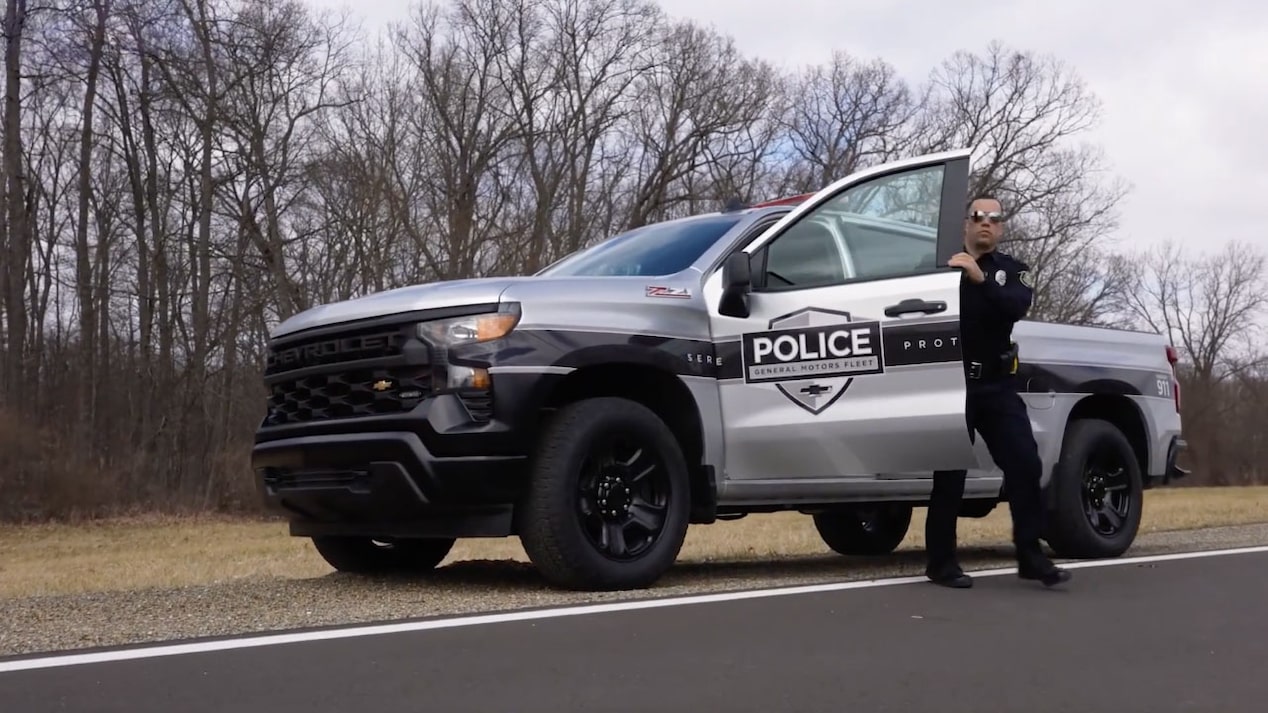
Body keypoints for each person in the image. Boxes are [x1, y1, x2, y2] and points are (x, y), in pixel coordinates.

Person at [924, 196, 1072, 589]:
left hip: (996, 385)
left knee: (1025, 463)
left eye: (994, 218)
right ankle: (941, 563)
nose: (985, 223)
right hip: (952, 384)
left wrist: (979, 277)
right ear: (966, 225)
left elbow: (1016, 307)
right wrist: (959, 272)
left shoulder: (1012, 271)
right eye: (977, 216)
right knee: (950, 475)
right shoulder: (941, 270)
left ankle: (1030, 555)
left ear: (1001, 228)